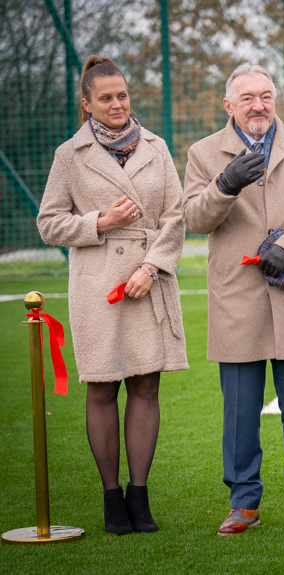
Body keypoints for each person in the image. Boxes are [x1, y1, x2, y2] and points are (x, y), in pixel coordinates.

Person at [183, 63, 284, 535]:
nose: (259, 105)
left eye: (266, 95)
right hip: (237, 297)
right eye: (247, 97)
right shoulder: (203, 153)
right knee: (240, 411)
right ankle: (243, 502)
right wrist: (225, 184)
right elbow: (194, 217)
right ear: (229, 106)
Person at [37, 56, 188, 535]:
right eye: (106, 98)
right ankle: (110, 497)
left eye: (122, 95)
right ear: (87, 105)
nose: (117, 104)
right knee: (102, 386)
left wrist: (152, 266)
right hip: (98, 285)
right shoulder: (69, 155)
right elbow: (49, 223)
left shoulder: (157, 147)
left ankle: (139, 497)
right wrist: (99, 223)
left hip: (150, 281)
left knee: (146, 384)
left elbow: (176, 216)